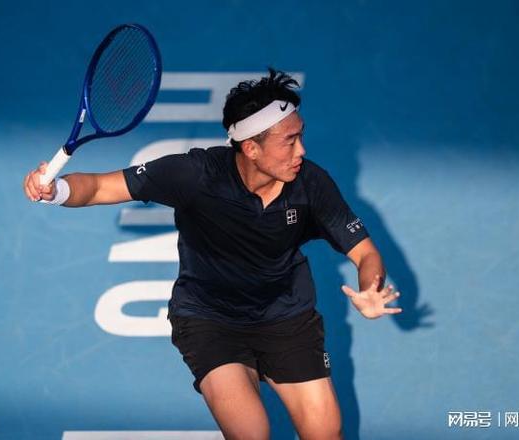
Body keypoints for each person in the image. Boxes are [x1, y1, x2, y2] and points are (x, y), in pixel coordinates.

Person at [23, 69, 401, 439]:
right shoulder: (195, 174)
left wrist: (370, 287)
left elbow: (365, 253)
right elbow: (101, 187)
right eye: (289, 141)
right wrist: (57, 191)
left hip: (287, 317)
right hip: (211, 320)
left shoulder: (311, 184)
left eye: (300, 136)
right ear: (251, 148)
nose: (301, 151)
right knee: (251, 432)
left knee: (326, 432)